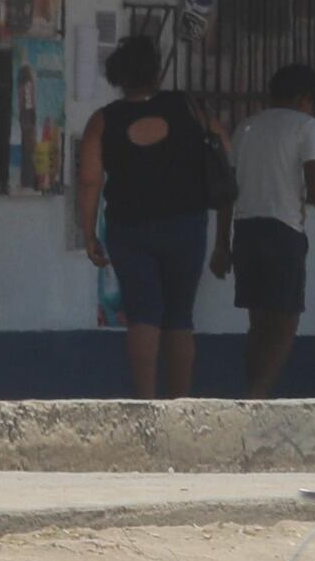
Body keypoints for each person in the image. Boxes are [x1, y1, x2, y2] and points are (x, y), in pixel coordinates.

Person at [69, 35, 221, 401]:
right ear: (156, 73)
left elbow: (89, 181)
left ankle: (146, 404)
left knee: (142, 315)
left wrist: (89, 234)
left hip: (130, 229)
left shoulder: (103, 121)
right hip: (186, 225)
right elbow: (223, 148)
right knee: (180, 317)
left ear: (118, 76)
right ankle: (180, 404)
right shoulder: (187, 107)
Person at [216, 62, 315, 397]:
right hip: (283, 233)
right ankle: (258, 395)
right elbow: (314, 178)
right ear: (303, 98)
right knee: (286, 321)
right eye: (311, 102)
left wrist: (222, 244)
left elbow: (227, 191)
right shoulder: (306, 126)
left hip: (246, 231)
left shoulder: (246, 127)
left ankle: (252, 393)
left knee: (258, 322)